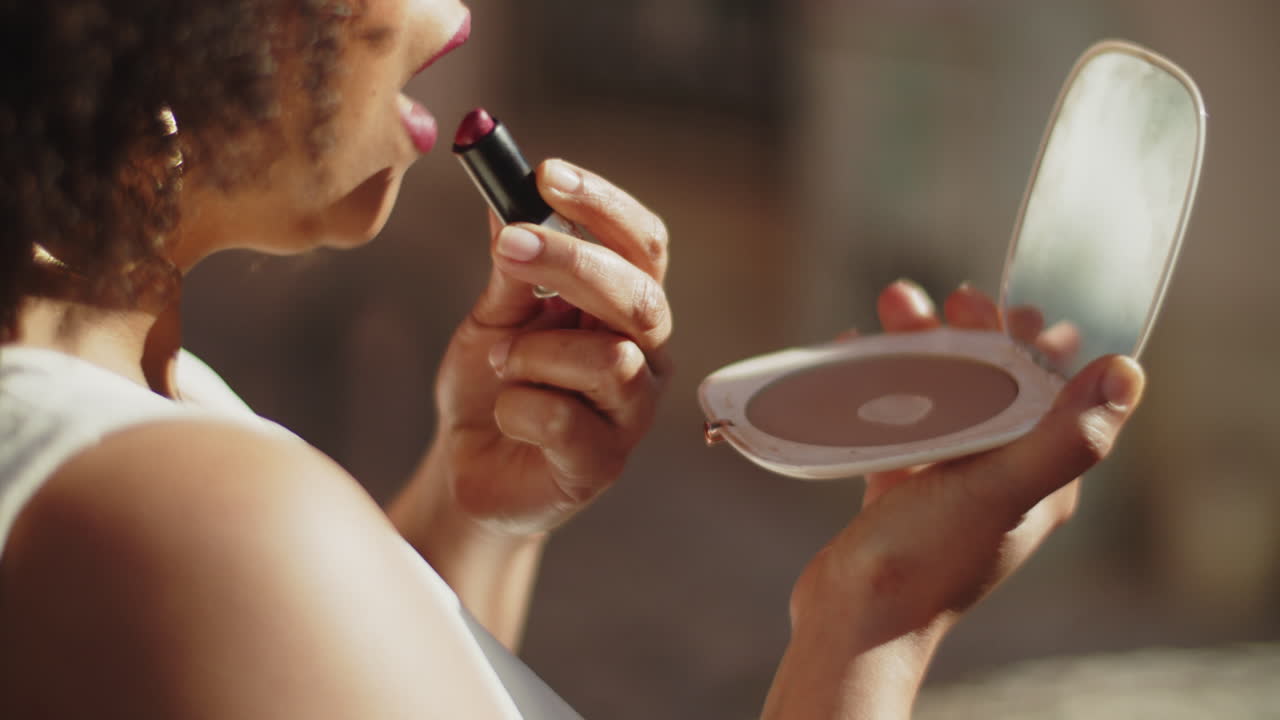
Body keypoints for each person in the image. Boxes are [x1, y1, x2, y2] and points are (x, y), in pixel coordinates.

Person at [0, 1, 1146, 717]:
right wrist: (875, 612)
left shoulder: (132, 403)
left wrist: (476, 511)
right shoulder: (178, 517)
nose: (449, 15)